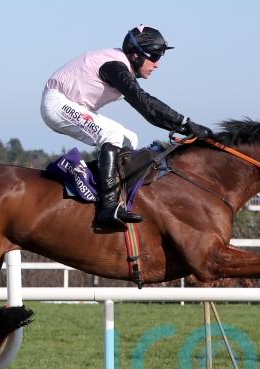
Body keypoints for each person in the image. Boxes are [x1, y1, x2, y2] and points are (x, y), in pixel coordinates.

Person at [41, 24, 213, 229]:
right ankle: (107, 208)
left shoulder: (121, 66)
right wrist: (185, 123)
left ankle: (95, 186)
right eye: (154, 57)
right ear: (135, 55)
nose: (157, 64)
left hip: (70, 105)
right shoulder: (115, 66)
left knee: (129, 139)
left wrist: (182, 127)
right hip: (57, 104)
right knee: (112, 135)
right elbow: (146, 105)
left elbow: (148, 111)